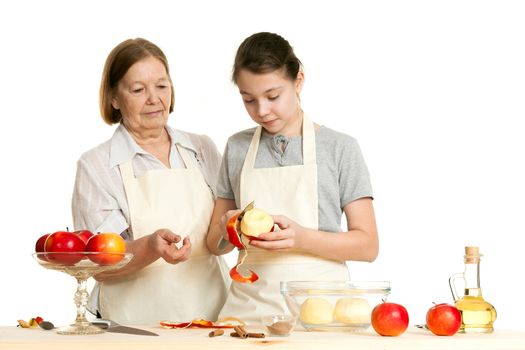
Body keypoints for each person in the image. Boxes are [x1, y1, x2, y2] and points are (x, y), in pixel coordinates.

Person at [206, 32, 378, 323]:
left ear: (298, 80)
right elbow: (214, 245)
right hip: (248, 313)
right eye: (248, 99)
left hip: (321, 313)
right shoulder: (238, 147)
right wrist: (226, 229)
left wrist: (301, 238)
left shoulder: (339, 148)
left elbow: (368, 245)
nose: (261, 111)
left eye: (273, 96)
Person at [72, 38, 229, 325]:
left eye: (161, 85)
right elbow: (99, 265)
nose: (154, 98)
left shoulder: (203, 149)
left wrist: (233, 230)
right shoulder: (97, 166)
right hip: (131, 327)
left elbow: (219, 242)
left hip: (211, 319)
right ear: (114, 98)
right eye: (138, 90)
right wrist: (151, 248)